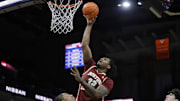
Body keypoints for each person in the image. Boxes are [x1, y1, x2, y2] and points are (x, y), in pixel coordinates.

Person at [70, 17, 117, 101]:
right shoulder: (90, 66)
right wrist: (89, 25)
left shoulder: (108, 81)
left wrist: (81, 80)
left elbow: (97, 94)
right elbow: (84, 46)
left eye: (105, 59)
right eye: (102, 58)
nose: (101, 59)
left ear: (108, 67)